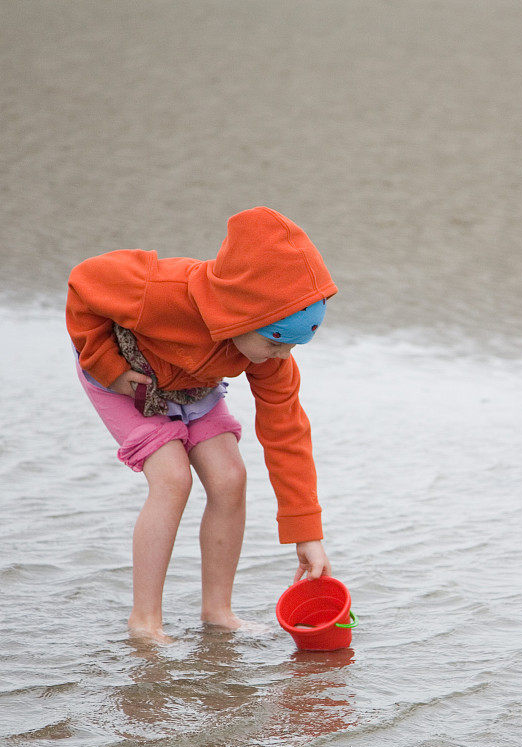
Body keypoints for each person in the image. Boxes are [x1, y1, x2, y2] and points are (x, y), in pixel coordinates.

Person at [65, 206, 337, 643]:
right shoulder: (160, 291)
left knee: (230, 477)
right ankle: (145, 622)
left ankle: (218, 612)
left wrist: (307, 534)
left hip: (194, 384)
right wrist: (104, 362)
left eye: (293, 346)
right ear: (241, 313)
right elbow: (84, 282)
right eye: (275, 343)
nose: (282, 357)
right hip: (125, 379)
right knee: (173, 478)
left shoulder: (268, 355)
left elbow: (287, 434)